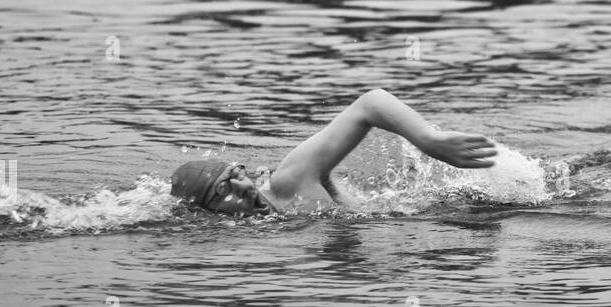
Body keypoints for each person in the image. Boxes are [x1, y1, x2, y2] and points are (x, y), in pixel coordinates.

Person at [170, 89, 497, 216]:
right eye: (222, 192)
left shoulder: (288, 182)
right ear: (207, 213)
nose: (241, 187)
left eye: (235, 175)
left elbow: (369, 104)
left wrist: (428, 140)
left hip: (468, 195)